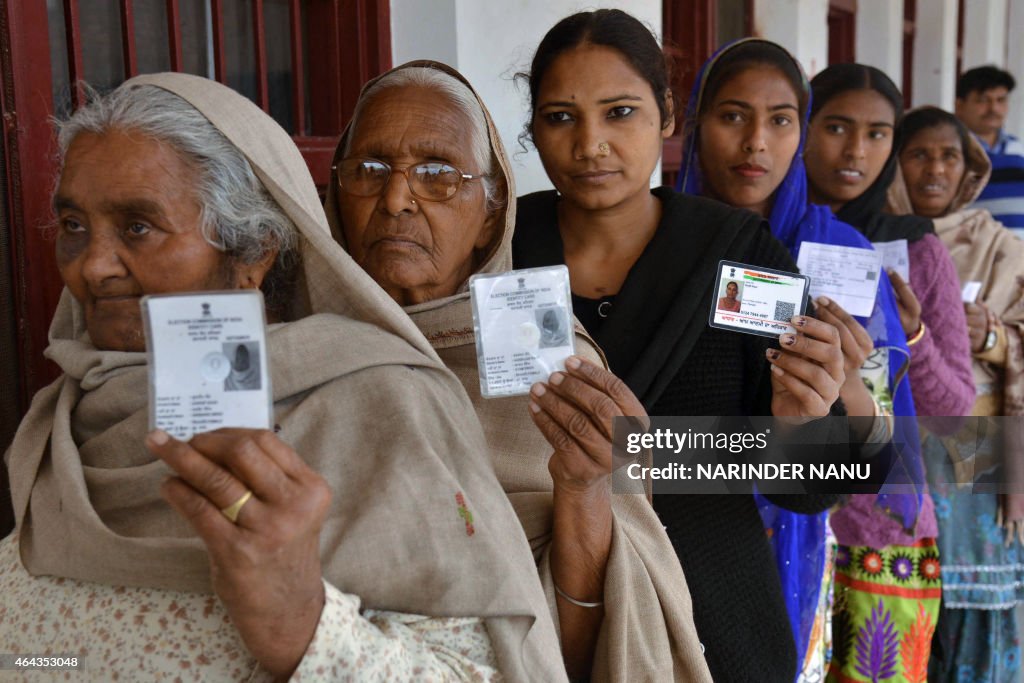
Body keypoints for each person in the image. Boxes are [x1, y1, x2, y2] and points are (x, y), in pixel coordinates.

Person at [0, 73, 568, 681]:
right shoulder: (60, 419)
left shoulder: (377, 400)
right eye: (73, 226)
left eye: (138, 227)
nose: (94, 266)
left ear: (253, 253)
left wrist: (300, 622)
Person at [324, 60, 713, 682]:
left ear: (489, 213)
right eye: (369, 172)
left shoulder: (564, 377)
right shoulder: (299, 352)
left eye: (437, 175)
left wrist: (584, 488)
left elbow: (594, 645)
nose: (396, 199)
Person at [512, 10, 850, 682]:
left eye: (620, 112)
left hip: (714, 622)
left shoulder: (737, 254)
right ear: (532, 127)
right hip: (532, 618)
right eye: (560, 117)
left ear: (667, 116)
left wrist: (799, 421)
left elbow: (810, 490)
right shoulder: (500, 250)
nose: (591, 144)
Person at [678, 38, 920, 682]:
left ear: (801, 131)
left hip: (793, 521)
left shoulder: (838, 250)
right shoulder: (652, 234)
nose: (757, 142)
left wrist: (848, 384)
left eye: (781, 120)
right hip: (668, 519)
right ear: (695, 122)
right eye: (732, 116)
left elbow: (876, 424)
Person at [804, 63, 976, 683]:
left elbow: (955, 412)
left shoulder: (916, 250)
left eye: (878, 135)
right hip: (767, 525)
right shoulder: (755, 234)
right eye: (837, 127)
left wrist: (914, 338)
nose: (856, 152)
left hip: (881, 540)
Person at [890, 105, 1024, 682]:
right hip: (893, 451)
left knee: (973, 615)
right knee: (896, 610)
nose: (934, 170)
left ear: (970, 169)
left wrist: (993, 336)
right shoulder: (869, 236)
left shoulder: (998, 246)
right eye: (918, 154)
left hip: (978, 456)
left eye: (950, 157)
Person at [955, 66, 1024, 237]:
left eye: (1001, 100)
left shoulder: (1020, 150)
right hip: (972, 254)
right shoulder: (951, 151)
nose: (993, 108)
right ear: (960, 105)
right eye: (983, 100)